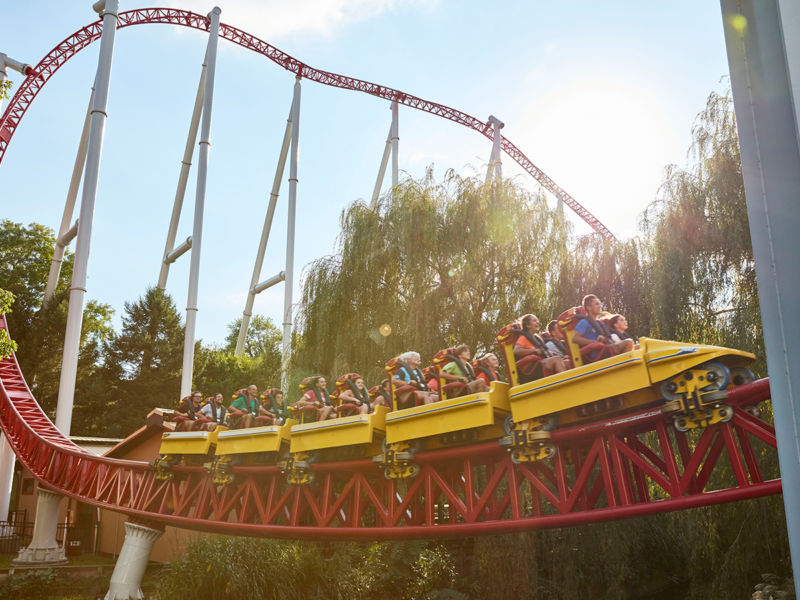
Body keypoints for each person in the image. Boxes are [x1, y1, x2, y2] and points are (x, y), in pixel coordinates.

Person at [572, 295, 634, 362]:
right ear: (589, 307)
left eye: (600, 304)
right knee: (628, 342)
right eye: (596, 304)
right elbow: (575, 339)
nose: (600, 306)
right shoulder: (584, 322)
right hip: (598, 353)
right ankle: (625, 367)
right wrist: (594, 342)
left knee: (635, 345)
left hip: (606, 347)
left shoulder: (598, 323)